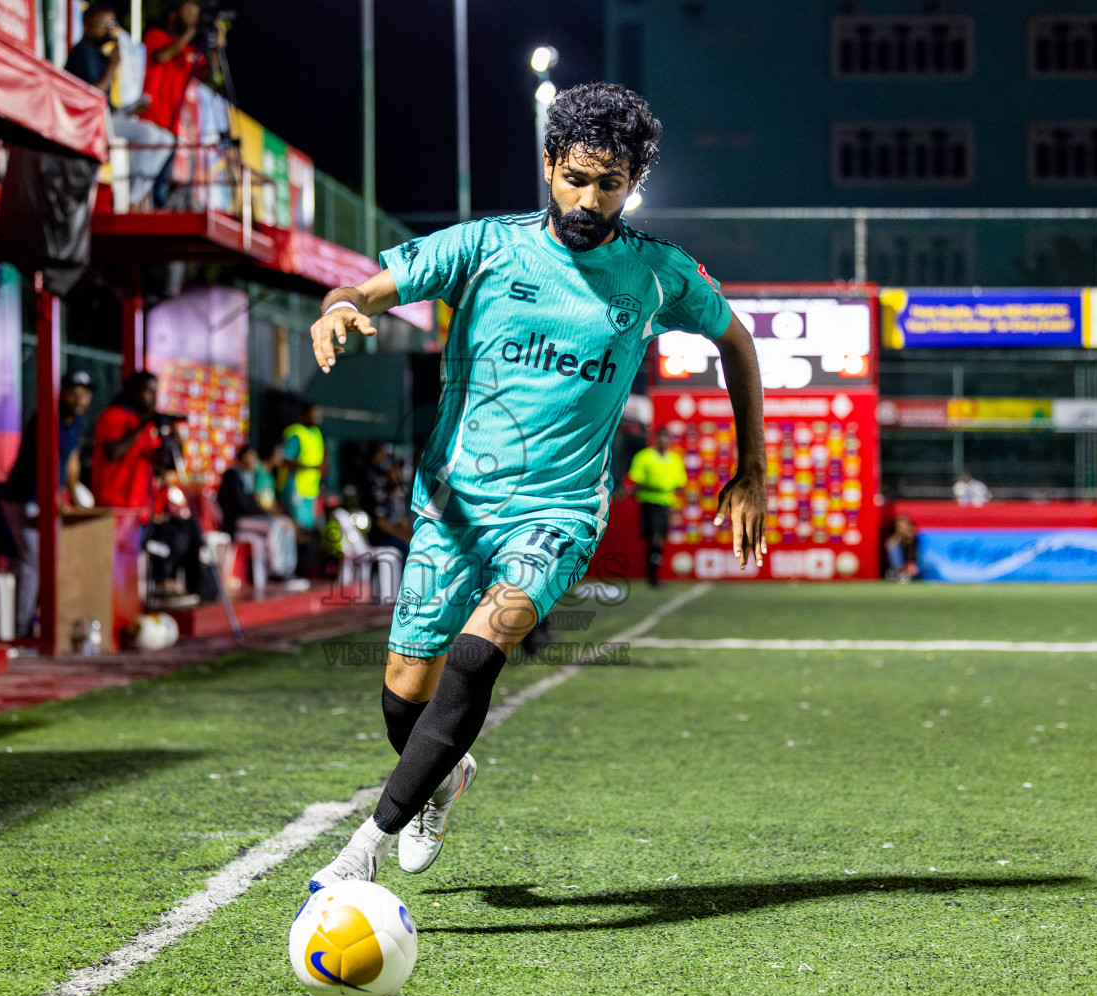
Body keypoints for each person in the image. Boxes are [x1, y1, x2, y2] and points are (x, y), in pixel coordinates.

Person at [304, 83, 767, 891]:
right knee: (402, 699)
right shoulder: (484, 247)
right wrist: (339, 307)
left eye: (611, 184)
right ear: (549, 165)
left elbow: (738, 342)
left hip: (560, 511)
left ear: (635, 184)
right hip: (451, 509)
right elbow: (367, 287)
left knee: (481, 652)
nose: (590, 200)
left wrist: (750, 468)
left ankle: (363, 848)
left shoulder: (655, 274)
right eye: (577, 178)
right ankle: (445, 777)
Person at [2, 370, 94, 638]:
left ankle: (42, 624)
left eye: (85, 394)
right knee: (33, 562)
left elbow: (72, 460)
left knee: (53, 559)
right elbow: (44, 465)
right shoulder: (47, 418)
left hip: (46, 498)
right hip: (24, 498)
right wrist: (57, 498)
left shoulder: (76, 421)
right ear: (62, 393)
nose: (80, 399)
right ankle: (21, 630)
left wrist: (74, 497)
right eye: (74, 393)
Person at [65, 2, 174, 209]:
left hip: (106, 117)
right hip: (86, 122)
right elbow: (91, 96)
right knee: (149, 136)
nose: (108, 28)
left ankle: (135, 195)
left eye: (111, 23)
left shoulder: (99, 54)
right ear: (87, 26)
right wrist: (113, 67)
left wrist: (130, 109)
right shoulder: (84, 50)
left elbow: (105, 103)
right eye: (102, 23)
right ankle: (131, 199)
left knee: (166, 139)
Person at [141, 0, 228, 206]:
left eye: (196, 14)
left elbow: (214, 76)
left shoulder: (189, 51)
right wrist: (191, 31)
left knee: (161, 190)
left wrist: (218, 45)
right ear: (173, 14)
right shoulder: (155, 36)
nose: (194, 17)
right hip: (149, 121)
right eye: (189, 11)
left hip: (173, 129)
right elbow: (161, 56)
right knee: (144, 181)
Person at [218, 444, 300, 583]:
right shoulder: (232, 474)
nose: (254, 460)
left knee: (283, 525)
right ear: (243, 457)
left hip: (247, 518)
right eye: (252, 456)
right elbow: (241, 504)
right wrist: (266, 515)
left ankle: (288, 568)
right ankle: (277, 570)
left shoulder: (249, 475)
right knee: (273, 526)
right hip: (235, 520)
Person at [91, 372, 165, 512]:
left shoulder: (149, 426)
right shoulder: (114, 416)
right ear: (135, 392)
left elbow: (161, 462)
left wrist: (176, 440)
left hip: (140, 507)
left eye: (155, 391)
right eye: (149, 391)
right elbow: (112, 453)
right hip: (113, 505)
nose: (154, 397)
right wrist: (141, 427)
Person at [628, 428, 687, 587]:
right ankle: (652, 577)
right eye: (660, 438)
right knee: (653, 538)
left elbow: (680, 483)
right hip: (649, 502)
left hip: (667, 503)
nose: (663, 441)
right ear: (655, 439)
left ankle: (654, 575)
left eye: (666, 438)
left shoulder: (675, 459)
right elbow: (636, 480)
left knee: (660, 538)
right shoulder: (644, 457)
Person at [281, 403, 326, 533]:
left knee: (309, 528)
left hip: (311, 489)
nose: (318, 416)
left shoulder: (317, 433)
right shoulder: (296, 432)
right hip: (295, 486)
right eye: (314, 413)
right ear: (304, 415)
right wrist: (310, 467)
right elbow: (286, 459)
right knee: (296, 527)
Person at [884, 514, 919, 582]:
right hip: (900, 566)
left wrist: (909, 537)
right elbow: (888, 546)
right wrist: (898, 536)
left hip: (913, 564)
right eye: (899, 526)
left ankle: (904, 574)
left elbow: (915, 554)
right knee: (894, 548)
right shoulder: (895, 538)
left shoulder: (914, 537)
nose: (902, 529)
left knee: (912, 569)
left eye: (904, 526)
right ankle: (900, 572)